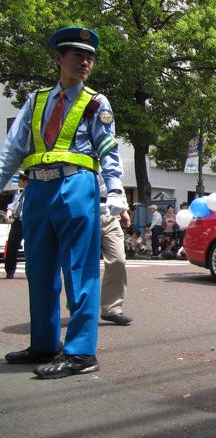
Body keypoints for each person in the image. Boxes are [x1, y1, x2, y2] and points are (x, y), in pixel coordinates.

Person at [0, 26, 126, 379]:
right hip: (37, 191)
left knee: (78, 269)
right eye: (77, 55)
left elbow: (107, 148)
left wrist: (115, 190)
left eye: (90, 57)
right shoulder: (36, 100)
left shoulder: (96, 102)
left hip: (76, 187)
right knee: (39, 271)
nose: (86, 62)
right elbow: (12, 149)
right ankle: (43, 343)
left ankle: (81, 352)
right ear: (59, 59)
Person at [99, 176, 132, 326]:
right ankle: (79, 309)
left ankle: (111, 309)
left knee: (118, 260)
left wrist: (123, 209)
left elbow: (116, 182)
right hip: (85, 212)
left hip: (110, 215)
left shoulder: (113, 155)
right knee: (83, 264)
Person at [4, 171, 28, 279]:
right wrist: (8, 215)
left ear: (25, 181)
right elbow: (12, 206)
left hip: (29, 222)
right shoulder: (20, 194)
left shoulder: (33, 194)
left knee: (31, 247)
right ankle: (10, 271)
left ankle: (31, 271)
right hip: (18, 222)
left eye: (20, 180)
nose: (18, 182)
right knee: (12, 247)